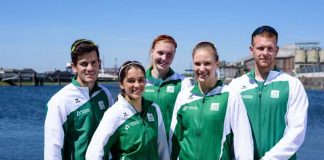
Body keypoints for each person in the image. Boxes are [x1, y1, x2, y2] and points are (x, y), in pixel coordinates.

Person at [229, 25, 309, 160]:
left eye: (270, 48)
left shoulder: (292, 85)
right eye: (260, 48)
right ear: (252, 50)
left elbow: (297, 131)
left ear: (276, 50)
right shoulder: (235, 86)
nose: (265, 53)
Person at [169, 41, 254, 160]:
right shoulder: (183, 96)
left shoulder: (231, 96)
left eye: (207, 63)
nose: (201, 69)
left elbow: (243, 142)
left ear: (217, 64)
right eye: (197, 63)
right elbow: (174, 140)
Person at [44, 39, 114, 160]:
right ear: (74, 67)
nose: (90, 68)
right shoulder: (60, 101)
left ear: (100, 63)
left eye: (94, 62)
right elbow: (53, 149)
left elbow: (114, 134)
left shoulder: (105, 94)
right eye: (84, 63)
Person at [86, 61, 169, 160]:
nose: (137, 85)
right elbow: (94, 153)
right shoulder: (115, 114)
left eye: (141, 80)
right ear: (121, 84)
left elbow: (163, 150)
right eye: (131, 81)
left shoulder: (154, 109)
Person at [143, 35, 192, 140]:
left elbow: (188, 119)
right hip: (145, 147)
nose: (164, 58)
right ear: (152, 51)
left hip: (172, 148)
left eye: (169, 54)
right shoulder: (140, 81)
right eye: (160, 53)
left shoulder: (183, 83)